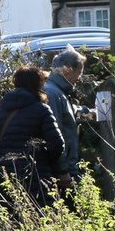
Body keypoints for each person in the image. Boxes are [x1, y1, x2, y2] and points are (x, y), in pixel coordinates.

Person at [0, 66, 65, 206]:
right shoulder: (42, 109)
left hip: (7, 176)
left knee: (12, 217)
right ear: (37, 84)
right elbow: (57, 144)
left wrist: (5, 159)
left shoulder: (2, 109)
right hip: (37, 175)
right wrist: (44, 159)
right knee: (41, 219)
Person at [44, 46, 87, 188]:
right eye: (79, 72)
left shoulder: (57, 91)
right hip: (62, 170)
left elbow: (66, 112)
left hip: (65, 167)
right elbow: (54, 133)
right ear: (67, 69)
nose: (79, 78)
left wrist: (84, 111)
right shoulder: (53, 94)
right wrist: (62, 170)